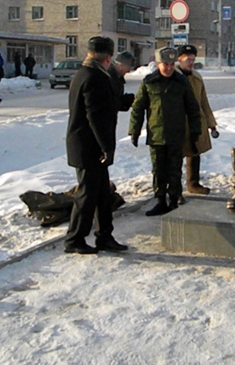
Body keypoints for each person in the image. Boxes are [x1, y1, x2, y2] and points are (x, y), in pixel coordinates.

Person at [63, 36, 127, 254]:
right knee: (87, 195)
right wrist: (106, 148)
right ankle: (74, 239)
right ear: (108, 57)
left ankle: (104, 236)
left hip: (87, 146)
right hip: (89, 147)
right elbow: (96, 116)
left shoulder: (83, 73)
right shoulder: (94, 77)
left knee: (102, 194)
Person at [129, 47, 201, 217]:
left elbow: (192, 108)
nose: (169, 68)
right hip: (156, 135)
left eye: (171, 64)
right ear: (158, 64)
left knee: (175, 169)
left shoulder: (182, 81)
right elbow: (138, 108)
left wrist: (195, 131)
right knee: (159, 170)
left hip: (176, 135)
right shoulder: (149, 82)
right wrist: (134, 130)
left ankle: (174, 200)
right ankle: (160, 200)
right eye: (165, 64)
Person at [176, 44, 219, 197]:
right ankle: (174, 190)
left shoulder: (197, 78)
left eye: (193, 59)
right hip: (178, 122)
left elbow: (204, 102)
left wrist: (211, 123)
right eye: (188, 59)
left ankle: (193, 183)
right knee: (176, 154)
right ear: (179, 59)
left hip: (195, 121)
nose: (191, 62)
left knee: (195, 151)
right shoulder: (172, 77)